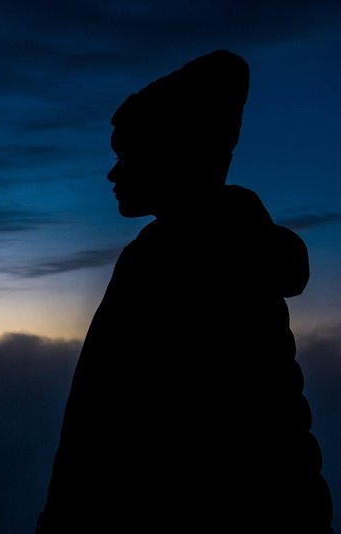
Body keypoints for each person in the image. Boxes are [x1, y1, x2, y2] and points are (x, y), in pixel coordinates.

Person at [36, 50, 333, 533]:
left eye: (126, 156)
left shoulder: (162, 264)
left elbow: (101, 426)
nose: (113, 173)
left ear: (171, 156)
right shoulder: (242, 253)